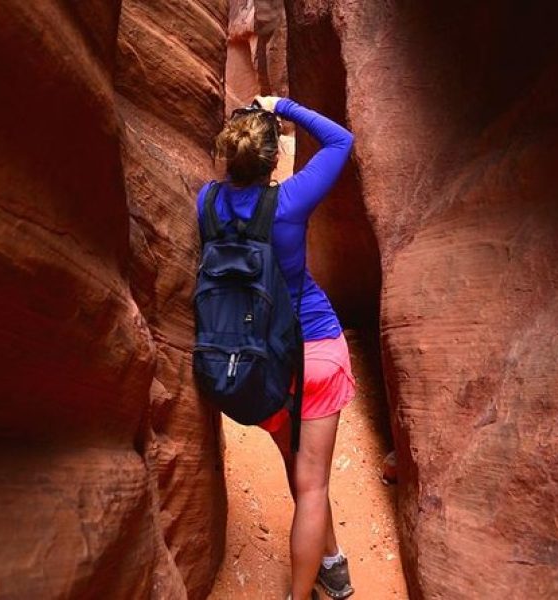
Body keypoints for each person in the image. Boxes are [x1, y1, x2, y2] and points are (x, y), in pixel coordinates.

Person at [196, 95, 356, 600]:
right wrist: (281, 103)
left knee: (298, 465)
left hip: (258, 361)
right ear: (274, 161)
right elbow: (340, 139)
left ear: (228, 156)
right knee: (313, 485)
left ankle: (332, 565)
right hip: (315, 352)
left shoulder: (207, 204)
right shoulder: (289, 203)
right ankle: (301, 591)